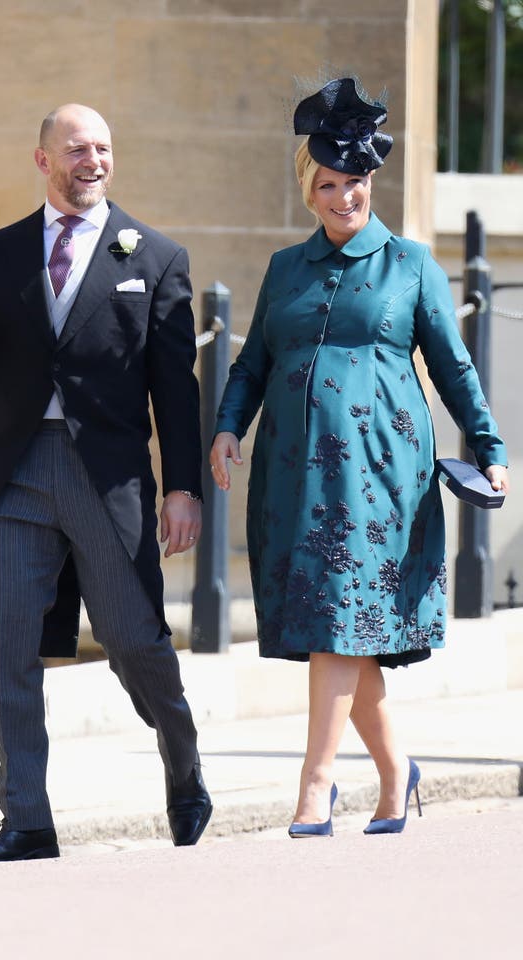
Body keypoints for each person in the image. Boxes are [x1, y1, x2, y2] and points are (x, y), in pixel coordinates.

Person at [210, 77, 509, 837]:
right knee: (340, 624)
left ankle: (316, 783)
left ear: (373, 182)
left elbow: (452, 366)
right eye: (329, 185)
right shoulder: (285, 269)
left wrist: (489, 445)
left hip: (378, 473)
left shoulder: (411, 265)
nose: (345, 198)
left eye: (356, 183)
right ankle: (397, 773)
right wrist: (227, 427)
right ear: (308, 192)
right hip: (291, 471)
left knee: (339, 613)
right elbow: (251, 366)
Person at [0, 103, 212, 863]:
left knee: (132, 640)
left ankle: (182, 760)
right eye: (77, 148)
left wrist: (183, 489)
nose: (94, 160)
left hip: (106, 478)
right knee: (8, 641)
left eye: (104, 148)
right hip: (17, 476)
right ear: (43, 159)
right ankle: (26, 821)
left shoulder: (155, 258)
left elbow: (176, 391)